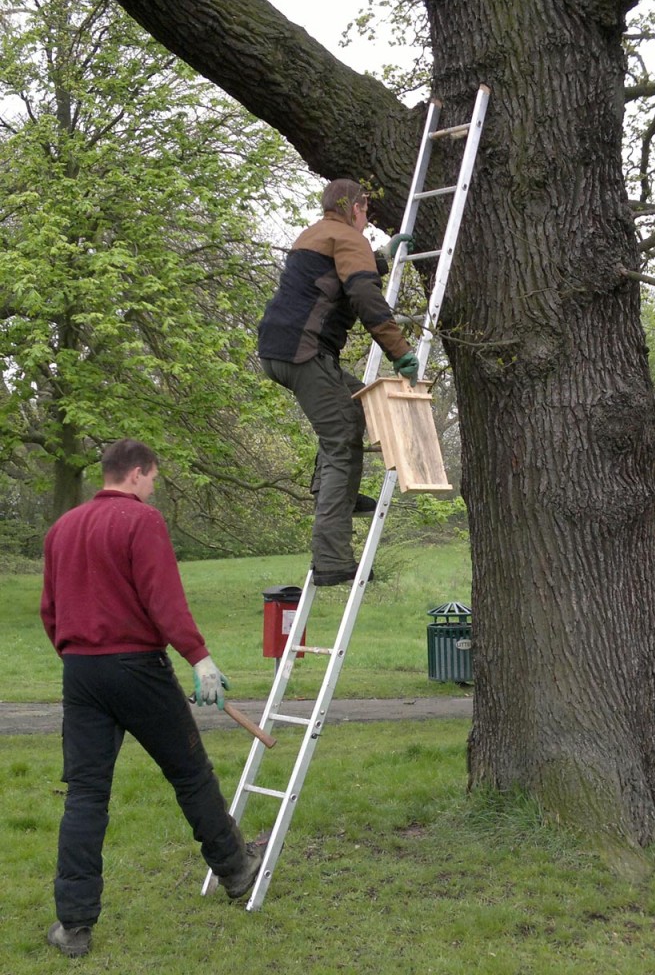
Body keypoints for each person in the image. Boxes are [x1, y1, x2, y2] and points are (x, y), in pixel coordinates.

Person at [40, 438, 264, 959]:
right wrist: (199, 657)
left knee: (85, 795)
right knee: (190, 774)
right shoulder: (142, 522)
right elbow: (163, 597)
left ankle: (73, 925)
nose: (153, 487)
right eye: (154, 478)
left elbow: (50, 611)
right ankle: (236, 870)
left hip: (80, 672)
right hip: (137, 667)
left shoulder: (61, 530)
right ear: (138, 473)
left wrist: (80, 657)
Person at [258, 178, 418, 586]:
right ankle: (331, 560)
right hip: (304, 352)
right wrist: (400, 352)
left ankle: (338, 495)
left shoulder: (315, 234)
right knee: (342, 435)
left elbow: (335, 277)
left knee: (356, 401)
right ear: (357, 208)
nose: (366, 218)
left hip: (279, 351)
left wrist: (381, 257)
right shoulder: (347, 237)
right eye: (366, 210)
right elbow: (365, 298)